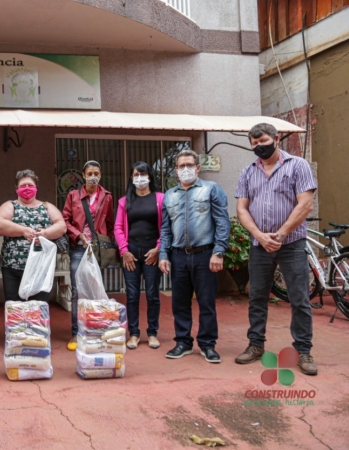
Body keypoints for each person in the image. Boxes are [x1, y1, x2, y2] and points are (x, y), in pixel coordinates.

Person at [234, 123, 317, 375]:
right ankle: (255, 344)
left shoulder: (298, 165)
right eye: (254, 143)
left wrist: (280, 234)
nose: (259, 146)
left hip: (291, 244)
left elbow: (306, 204)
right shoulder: (248, 172)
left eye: (263, 140)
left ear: (277, 138)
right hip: (260, 246)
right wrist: (260, 235)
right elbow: (241, 209)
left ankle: (303, 350)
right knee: (257, 297)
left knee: (299, 298)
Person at [159, 149, 229, 363]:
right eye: (182, 166)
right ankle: (183, 342)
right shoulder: (170, 195)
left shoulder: (211, 189)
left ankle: (208, 345)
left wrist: (218, 252)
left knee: (206, 302)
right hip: (178, 256)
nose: (186, 169)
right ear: (176, 170)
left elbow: (222, 221)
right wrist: (164, 254)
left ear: (197, 168)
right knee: (179, 302)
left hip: (205, 255)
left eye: (190, 165)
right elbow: (165, 228)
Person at [61, 160, 114, 351]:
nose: (93, 176)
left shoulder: (107, 196)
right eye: (90, 173)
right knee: (77, 291)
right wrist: (78, 235)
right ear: (83, 175)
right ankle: (76, 332)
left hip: (97, 250)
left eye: (96, 173)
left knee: (96, 289)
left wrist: (109, 245)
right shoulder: (73, 195)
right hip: (78, 248)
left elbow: (109, 223)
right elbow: (64, 220)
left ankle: (95, 330)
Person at [0, 169, 67, 302]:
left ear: (36, 188)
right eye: (23, 186)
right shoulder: (10, 206)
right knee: (14, 307)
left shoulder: (46, 206)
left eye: (30, 185)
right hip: (13, 267)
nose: (27, 188)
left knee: (38, 308)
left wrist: (45, 233)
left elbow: (61, 226)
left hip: (41, 268)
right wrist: (23, 231)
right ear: (16, 189)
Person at [115, 161, 164, 350]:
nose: (139, 178)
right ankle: (134, 333)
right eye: (136, 175)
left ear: (150, 176)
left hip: (153, 253)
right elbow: (118, 227)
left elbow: (166, 226)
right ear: (131, 178)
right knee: (132, 295)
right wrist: (124, 251)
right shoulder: (124, 201)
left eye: (143, 174)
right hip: (131, 254)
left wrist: (159, 248)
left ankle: (152, 333)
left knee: (153, 294)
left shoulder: (160, 198)